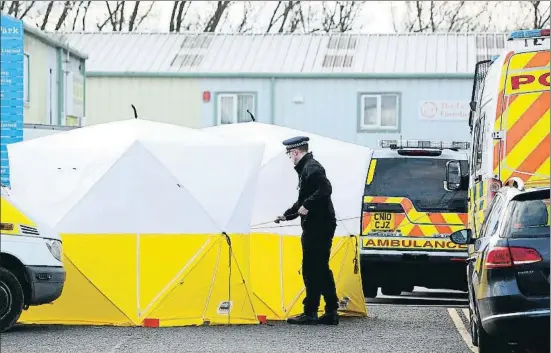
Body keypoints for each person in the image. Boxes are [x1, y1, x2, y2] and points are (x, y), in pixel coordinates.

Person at [275, 136, 339, 325]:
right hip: (321, 224)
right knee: (321, 268)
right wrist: (287, 215)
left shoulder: (311, 168)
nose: (290, 159)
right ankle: (331, 311)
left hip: (318, 226)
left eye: (290, 155)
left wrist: (308, 206)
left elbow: (325, 188)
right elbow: (302, 200)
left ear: (295, 152)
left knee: (311, 269)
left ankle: (310, 311)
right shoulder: (307, 168)